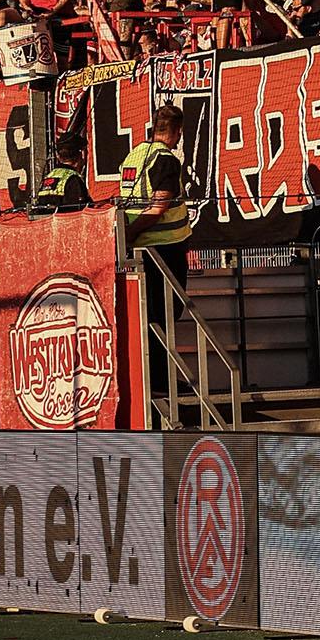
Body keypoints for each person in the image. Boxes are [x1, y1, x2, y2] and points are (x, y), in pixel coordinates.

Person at [119, 105, 193, 419]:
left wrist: (128, 235)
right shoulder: (166, 159)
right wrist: (133, 233)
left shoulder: (133, 156)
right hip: (164, 249)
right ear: (176, 131)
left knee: (150, 317)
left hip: (141, 248)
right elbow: (160, 204)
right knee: (164, 315)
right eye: (178, 134)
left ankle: (155, 377)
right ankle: (161, 380)